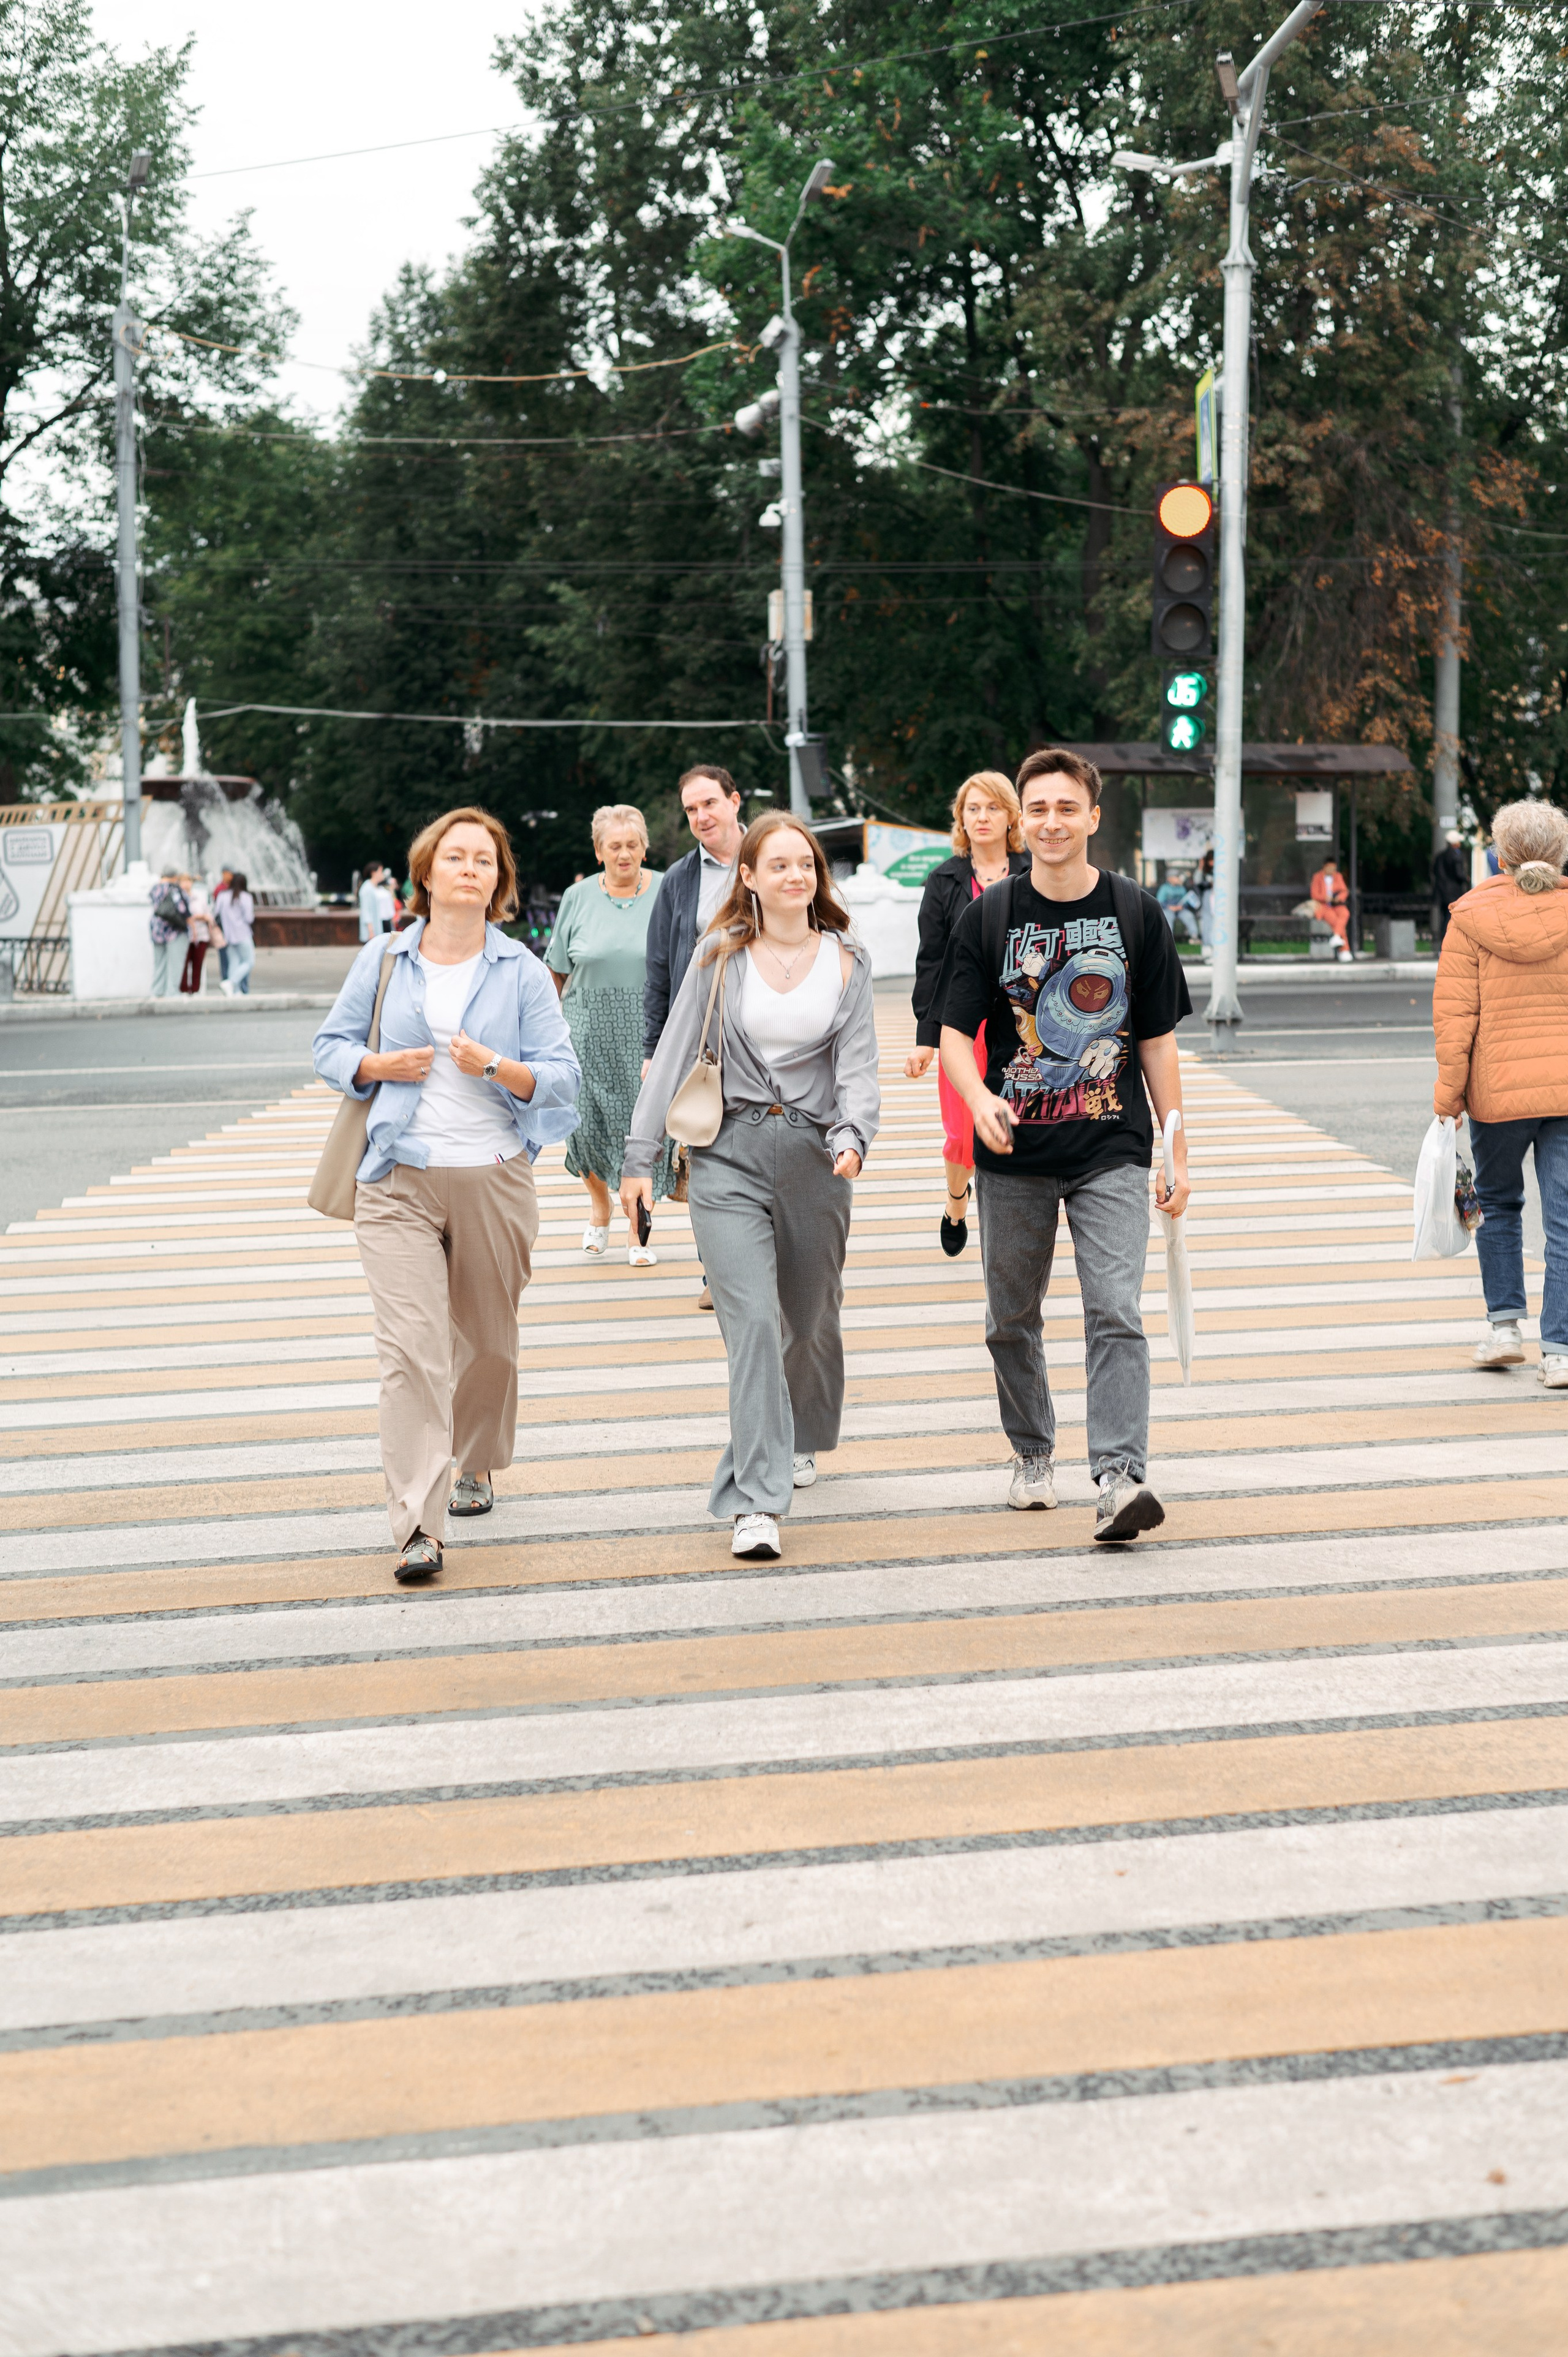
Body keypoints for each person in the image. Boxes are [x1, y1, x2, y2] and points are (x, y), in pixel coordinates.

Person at [313, 805, 581, 1583]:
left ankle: (478, 1458)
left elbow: (561, 1081)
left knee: (489, 1345)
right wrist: (375, 1067)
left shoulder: (522, 970)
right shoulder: (384, 959)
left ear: (498, 881)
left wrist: (495, 1064)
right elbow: (330, 1046)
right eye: (456, 857)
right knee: (412, 1353)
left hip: (494, 1175)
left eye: (485, 860)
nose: (470, 868)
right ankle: (418, 1526)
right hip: (395, 1178)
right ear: (426, 873)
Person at [939, 746, 1193, 1542]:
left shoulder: (1135, 911)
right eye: (1038, 810)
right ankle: (1031, 1450)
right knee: (1009, 1318)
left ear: (1092, 816)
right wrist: (979, 1097)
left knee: (1115, 1309)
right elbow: (952, 1035)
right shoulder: (989, 915)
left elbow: (1154, 1042)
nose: (1052, 823)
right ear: (1024, 821)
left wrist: (1175, 1150)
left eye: (1065, 808)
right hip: (1012, 1152)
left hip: (1110, 1144)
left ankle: (1120, 1478)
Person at [622, 810, 880, 1562]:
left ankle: (801, 1431)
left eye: (806, 864)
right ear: (750, 877)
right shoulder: (720, 953)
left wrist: (853, 1135)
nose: (795, 875)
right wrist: (639, 1159)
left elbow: (857, 1068)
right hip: (726, 1153)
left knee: (809, 1319)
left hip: (817, 1158)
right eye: (778, 865)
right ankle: (755, 1501)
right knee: (753, 1327)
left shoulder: (847, 960)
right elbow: (672, 1056)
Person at [1432, 798, 1568, 1387]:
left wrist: (1448, 1095)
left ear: (1500, 854)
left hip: (1497, 1092)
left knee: (1499, 1203)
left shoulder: (1471, 917)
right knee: (1565, 1220)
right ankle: (1561, 1349)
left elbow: (1456, 1016)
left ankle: (1505, 1328)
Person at [905, 771, 1029, 1255]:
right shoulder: (944, 881)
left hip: (1023, 1025)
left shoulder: (1033, 870)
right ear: (961, 818)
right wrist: (925, 1037)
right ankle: (957, 1201)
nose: (982, 817)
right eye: (972, 809)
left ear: (1010, 817)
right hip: (963, 1027)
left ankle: (1016, 1225)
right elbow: (931, 960)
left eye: (992, 808)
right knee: (962, 1136)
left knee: (1019, 1124)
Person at [643, 763, 750, 1308]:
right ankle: (717, 1270)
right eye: (691, 810)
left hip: (769, 1033)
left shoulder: (773, 857)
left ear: (735, 802)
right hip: (701, 1040)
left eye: (710, 803)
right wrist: (653, 1050)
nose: (702, 816)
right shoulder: (680, 879)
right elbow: (660, 967)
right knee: (704, 1150)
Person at [547, 803, 674, 1265]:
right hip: (586, 1032)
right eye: (615, 846)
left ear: (645, 847)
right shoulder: (576, 897)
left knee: (640, 1129)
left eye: (633, 845)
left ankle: (637, 1232)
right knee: (584, 1126)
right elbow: (558, 969)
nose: (625, 854)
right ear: (599, 851)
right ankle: (600, 1206)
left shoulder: (667, 890)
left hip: (648, 1030)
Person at [148, 867, 190, 997]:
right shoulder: (175, 890)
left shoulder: (155, 889)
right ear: (175, 876)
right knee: (175, 963)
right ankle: (172, 993)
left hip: (157, 930)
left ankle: (157, 992)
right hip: (174, 930)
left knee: (159, 963)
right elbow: (182, 909)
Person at [214, 870, 255, 995]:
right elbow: (249, 918)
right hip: (243, 934)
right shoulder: (246, 897)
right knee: (249, 961)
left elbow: (216, 914)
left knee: (234, 962)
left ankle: (234, 991)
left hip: (229, 935)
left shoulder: (222, 896)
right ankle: (231, 983)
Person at [1431, 830, 1470, 948]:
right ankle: (1448, 942)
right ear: (1455, 843)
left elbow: (1434, 872)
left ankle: (1441, 942)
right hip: (1453, 893)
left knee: (1443, 917)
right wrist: (1466, 878)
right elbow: (1459, 874)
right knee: (1450, 918)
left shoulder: (1439, 856)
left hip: (1441, 893)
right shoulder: (1456, 856)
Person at [1310, 854, 1353, 961]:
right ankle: (1345, 950)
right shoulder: (1317, 877)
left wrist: (1338, 898)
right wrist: (1326, 898)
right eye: (1329, 868)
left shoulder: (1338, 876)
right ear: (1324, 867)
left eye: (1333, 868)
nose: (1331, 870)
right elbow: (1314, 894)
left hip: (1337, 905)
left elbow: (1344, 891)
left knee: (1345, 914)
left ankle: (1337, 937)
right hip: (1324, 906)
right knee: (1337, 922)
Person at [179, 875, 214, 994]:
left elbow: (209, 915)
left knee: (198, 964)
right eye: (183, 881)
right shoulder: (178, 898)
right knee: (183, 964)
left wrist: (200, 917)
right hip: (184, 936)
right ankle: (183, 989)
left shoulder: (199, 897)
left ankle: (195, 989)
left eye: (188, 881)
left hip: (201, 935)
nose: (186, 884)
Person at [358, 861, 390, 943]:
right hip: (371, 933)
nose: (383, 874)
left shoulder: (374, 888)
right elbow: (366, 911)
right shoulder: (367, 889)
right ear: (373, 873)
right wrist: (371, 932)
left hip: (377, 930)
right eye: (380, 871)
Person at [213, 867, 233, 985]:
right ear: (224, 874)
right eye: (229, 873)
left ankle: (230, 980)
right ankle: (226, 980)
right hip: (223, 928)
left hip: (231, 928)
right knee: (224, 955)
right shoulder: (220, 890)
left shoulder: (231, 888)